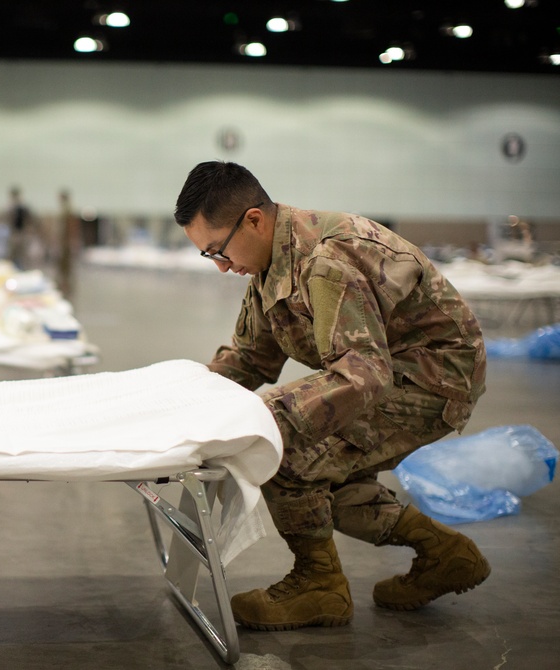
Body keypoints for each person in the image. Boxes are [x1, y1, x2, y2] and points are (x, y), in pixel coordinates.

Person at [173, 161, 489, 631]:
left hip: (433, 376)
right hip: (387, 370)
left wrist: (270, 414)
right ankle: (445, 553)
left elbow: (363, 375)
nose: (221, 267)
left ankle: (319, 585)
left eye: (218, 250)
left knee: (282, 449)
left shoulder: (325, 262)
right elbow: (250, 359)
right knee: (323, 479)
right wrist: (180, 400)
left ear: (254, 220)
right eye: (209, 256)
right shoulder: (266, 262)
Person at [56, 189, 82, 297]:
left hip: (66, 244)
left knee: (66, 267)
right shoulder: (65, 209)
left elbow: (71, 229)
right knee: (63, 267)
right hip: (64, 243)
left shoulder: (68, 210)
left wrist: (71, 242)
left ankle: (66, 286)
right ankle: (64, 285)